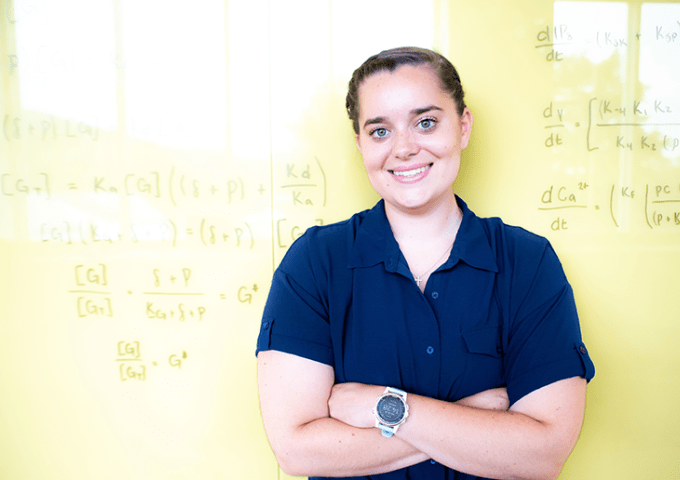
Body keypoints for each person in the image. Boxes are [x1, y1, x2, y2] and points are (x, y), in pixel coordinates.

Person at [256, 46, 595, 480]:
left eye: (426, 122)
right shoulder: (314, 264)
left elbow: (542, 454)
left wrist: (385, 408)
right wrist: (470, 418)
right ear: (359, 143)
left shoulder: (527, 263)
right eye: (380, 131)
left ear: (464, 126)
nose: (404, 148)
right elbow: (299, 452)